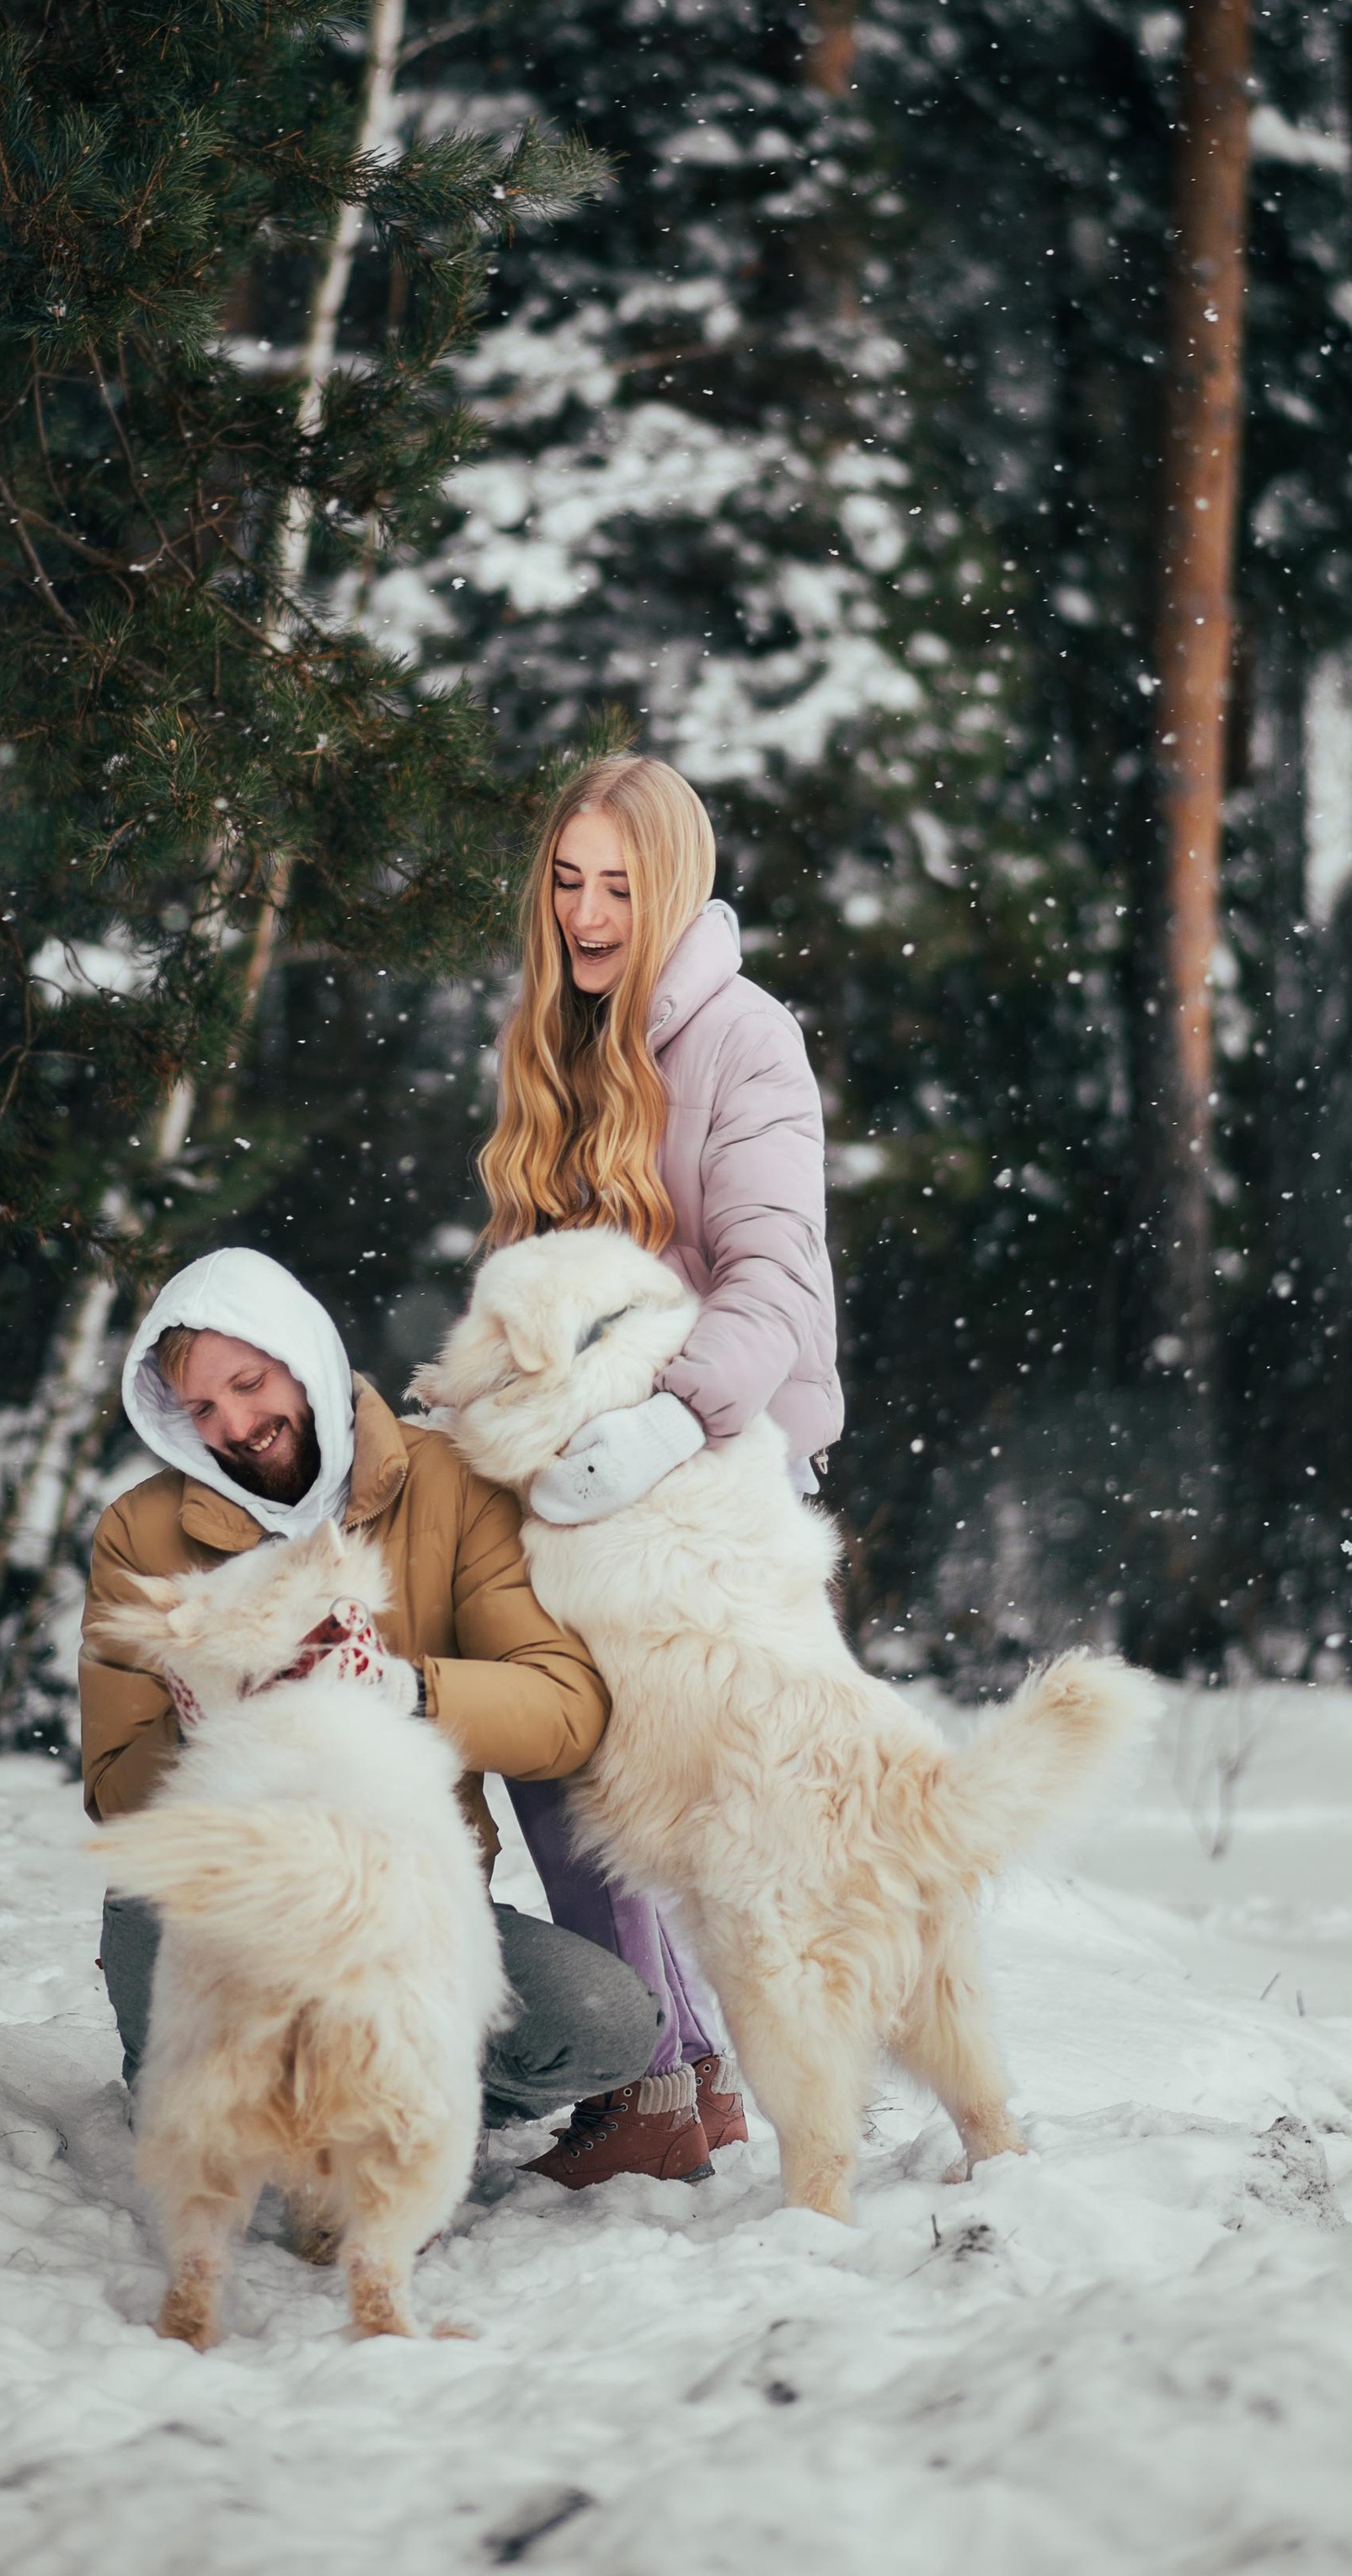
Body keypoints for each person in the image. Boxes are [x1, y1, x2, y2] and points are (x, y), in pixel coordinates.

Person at [80, 1245, 665, 2145]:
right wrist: (220, 1721)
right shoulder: (143, 1532)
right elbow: (117, 1785)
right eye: (200, 1407)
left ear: (304, 1359)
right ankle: (233, 2095)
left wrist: (399, 1690)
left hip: (407, 1906)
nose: (235, 1423)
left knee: (604, 2022)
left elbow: (566, 1710)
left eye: (249, 1383)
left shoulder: (453, 1485)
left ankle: (389, 2094)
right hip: (229, 1902)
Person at [478, 750, 843, 2188]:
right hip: (582, 1459)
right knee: (540, 1715)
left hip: (706, 1463)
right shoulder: (552, 1034)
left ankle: (659, 2080)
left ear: (674, 883)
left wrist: (667, 1418)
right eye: (567, 879)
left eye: (619, 884)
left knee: (579, 1733)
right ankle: (675, 2073)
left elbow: (777, 1283)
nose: (587, 910)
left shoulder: (746, 1037)